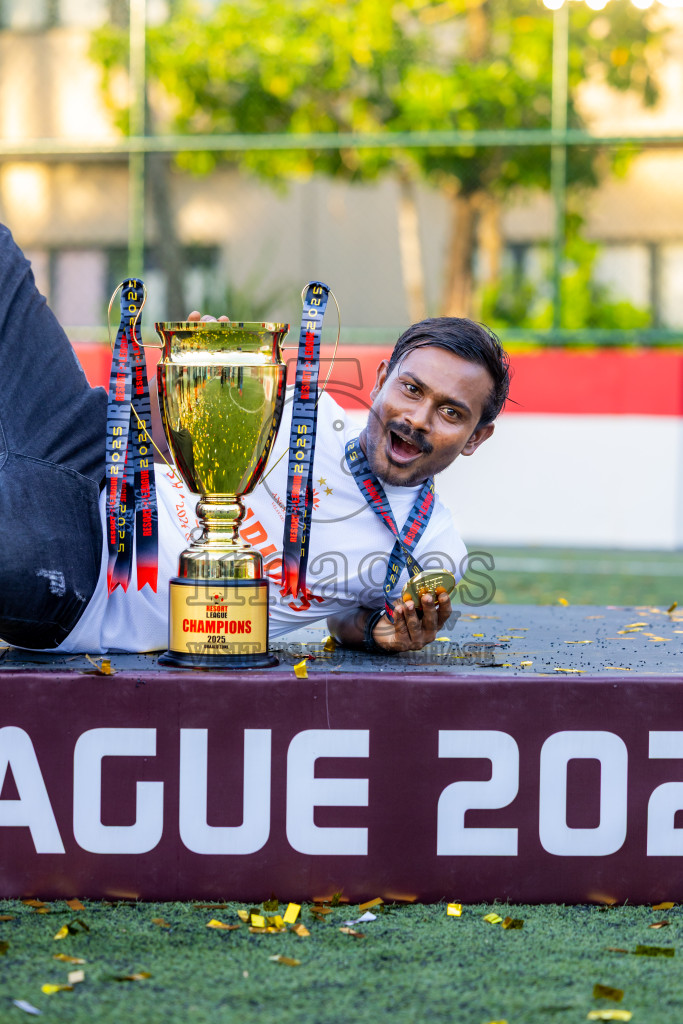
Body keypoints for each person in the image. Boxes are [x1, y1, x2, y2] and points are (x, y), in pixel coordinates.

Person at [0, 220, 509, 657]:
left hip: (85, 576)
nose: (418, 418)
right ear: (379, 382)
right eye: (411, 389)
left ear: (476, 438)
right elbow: (145, 437)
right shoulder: (295, 404)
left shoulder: (431, 547)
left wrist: (384, 633)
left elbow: (345, 620)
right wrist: (193, 379)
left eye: (450, 412)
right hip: (84, 446)